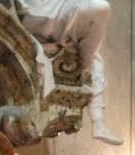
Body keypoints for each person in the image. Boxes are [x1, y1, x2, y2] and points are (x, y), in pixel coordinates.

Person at [16, 0, 123, 145]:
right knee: (99, 9)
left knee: (92, 49)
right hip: (38, 11)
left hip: (51, 11)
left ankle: (97, 118)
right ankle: (96, 113)